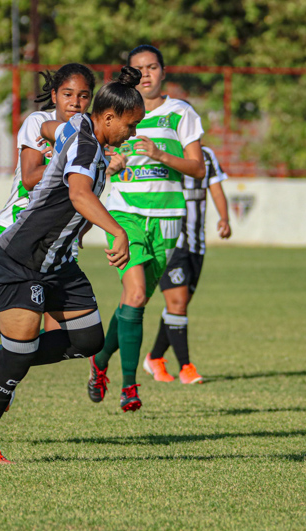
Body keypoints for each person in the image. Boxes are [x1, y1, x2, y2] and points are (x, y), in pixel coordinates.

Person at [0, 66, 144, 464]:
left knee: (88, 340)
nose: (130, 135)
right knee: (22, 353)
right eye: (129, 126)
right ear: (109, 118)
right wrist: (118, 232)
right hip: (21, 257)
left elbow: (54, 128)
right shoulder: (87, 146)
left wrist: (52, 131)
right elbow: (79, 194)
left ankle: (4, 356)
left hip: (57, 262)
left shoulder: (79, 125)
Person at [0, 64, 99, 445]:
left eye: (84, 96)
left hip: (52, 251)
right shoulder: (38, 123)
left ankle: (2, 371)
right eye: (68, 94)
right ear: (54, 95)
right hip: (9, 241)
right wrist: (73, 162)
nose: (75, 102)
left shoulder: (91, 134)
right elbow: (29, 177)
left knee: (69, 336)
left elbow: (86, 198)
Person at [89, 45, 207, 411]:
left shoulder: (181, 113)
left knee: (133, 301)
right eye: (139, 69)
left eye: (152, 67)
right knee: (137, 295)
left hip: (168, 218)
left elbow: (198, 169)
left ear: (163, 70)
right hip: (124, 213)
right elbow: (95, 162)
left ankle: (100, 361)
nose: (146, 74)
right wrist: (111, 164)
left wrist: (160, 155)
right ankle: (129, 387)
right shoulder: (117, 114)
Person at [143, 145, 232, 383]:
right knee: (178, 303)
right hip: (170, 240)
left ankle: (155, 358)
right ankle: (186, 368)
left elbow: (216, 188)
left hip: (196, 245)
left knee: (178, 306)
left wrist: (224, 218)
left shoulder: (207, 156)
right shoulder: (161, 150)